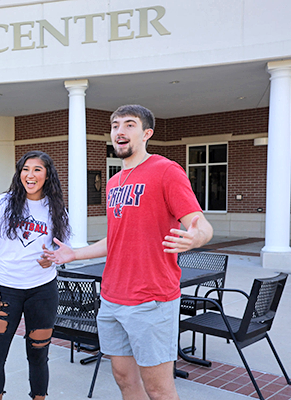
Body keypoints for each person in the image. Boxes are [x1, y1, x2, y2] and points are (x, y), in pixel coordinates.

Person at [44, 104, 214, 400]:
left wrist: (196, 237)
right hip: (112, 298)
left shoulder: (165, 171)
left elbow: (201, 225)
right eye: (115, 125)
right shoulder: (114, 183)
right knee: (124, 379)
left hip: (151, 299)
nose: (120, 131)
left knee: (159, 389)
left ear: (147, 133)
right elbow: (115, 240)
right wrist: (75, 254)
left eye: (129, 125)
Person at [0, 150, 69, 400]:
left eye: (37, 170)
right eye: (25, 169)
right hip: (5, 290)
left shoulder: (56, 208)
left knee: (39, 355)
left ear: (47, 175)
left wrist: (51, 258)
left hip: (42, 291)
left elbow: (64, 245)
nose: (30, 175)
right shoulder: (3, 204)